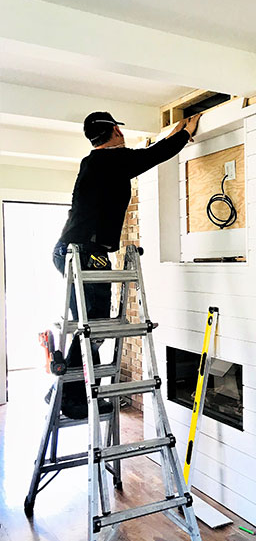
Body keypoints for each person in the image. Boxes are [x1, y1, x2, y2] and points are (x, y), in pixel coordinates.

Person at [51, 110, 200, 417]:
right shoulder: (111, 162)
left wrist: (175, 135)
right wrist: (185, 133)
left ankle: (64, 389)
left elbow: (146, 155)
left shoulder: (95, 162)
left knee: (90, 327)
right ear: (116, 131)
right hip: (85, 253)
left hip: (72, 250)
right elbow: (153, 156)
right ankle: (72, 396)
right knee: (95, 327)